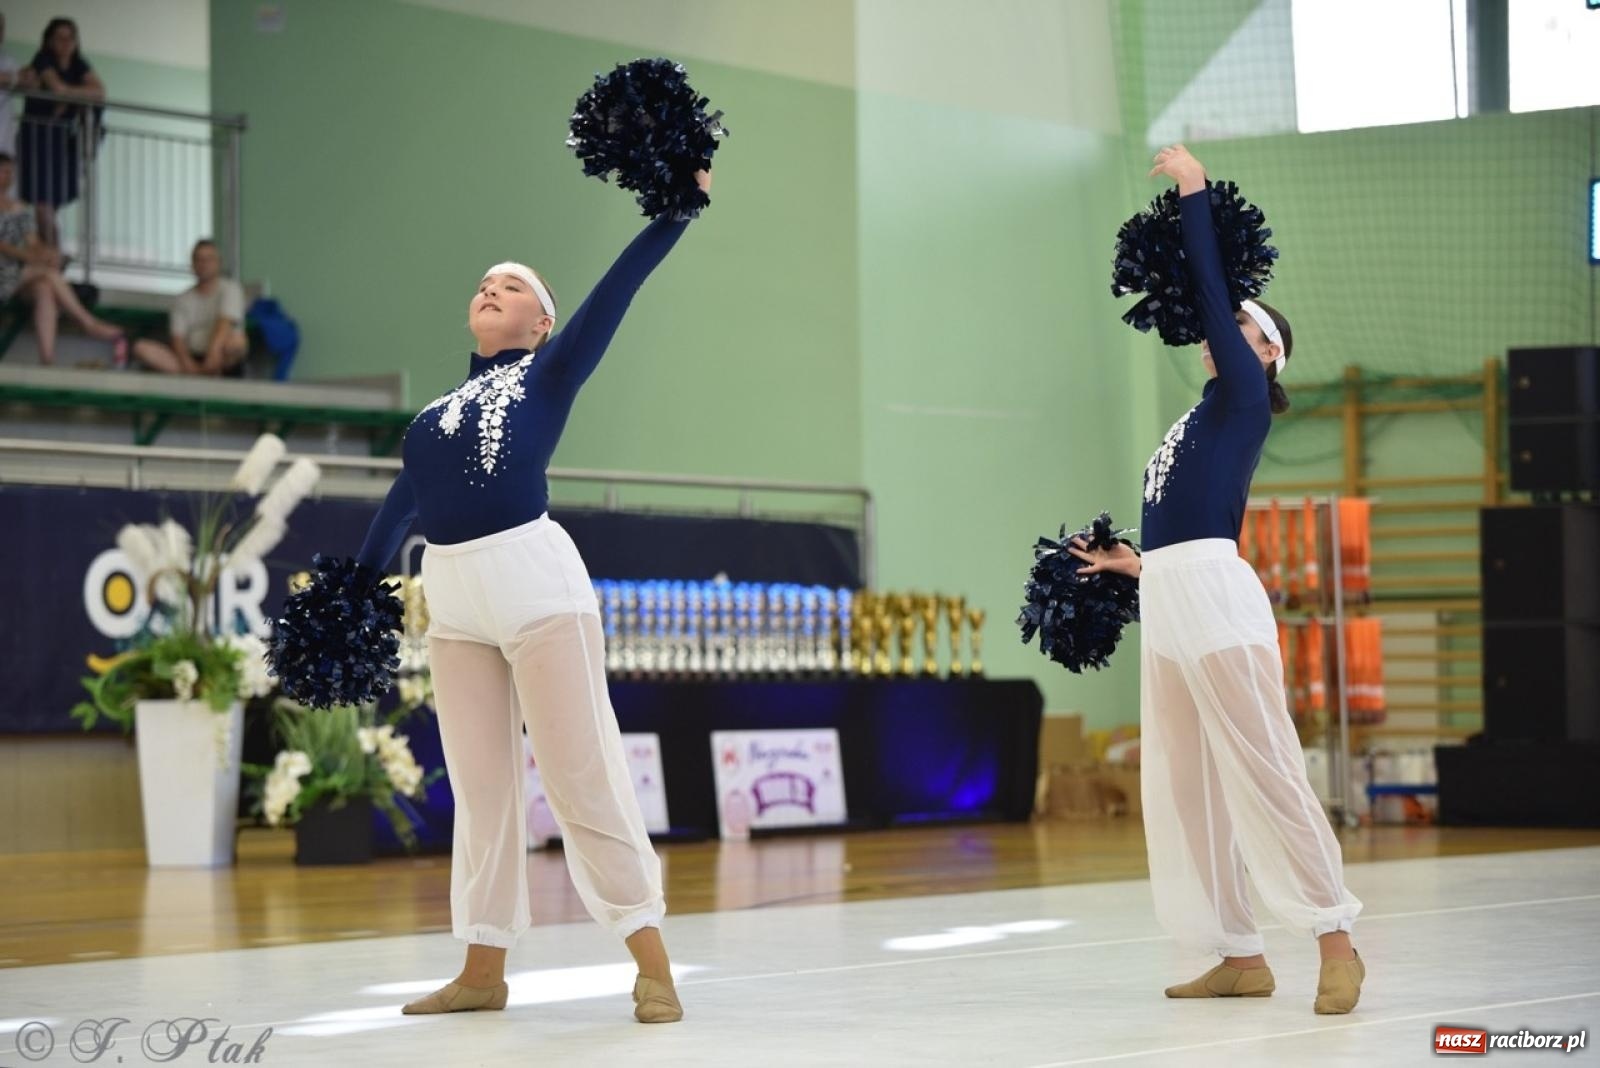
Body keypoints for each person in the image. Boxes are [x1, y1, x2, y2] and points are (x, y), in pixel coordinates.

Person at [344, 169, 711, 1024]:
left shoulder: (550, 373)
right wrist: (353, 594)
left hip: (536, 583)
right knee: (480, 792)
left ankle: (654, 963)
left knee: (581, 776)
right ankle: (482, 970)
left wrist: (676, 213)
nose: (491, 289)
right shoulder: (430, 418)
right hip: (453, 597)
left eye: (512, 287)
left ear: (542, 324)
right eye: (484, 283)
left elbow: (618, 289)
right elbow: (401, 508)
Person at [1071, 144, 1365, 1015]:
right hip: (1169, 593)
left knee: (1264, 768)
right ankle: (1238, 953)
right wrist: (1131, 564)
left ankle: (1336, 940)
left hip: (1216, 599)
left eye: (1239, 324)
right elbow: (1186, 518)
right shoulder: (1201, 412)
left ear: (1266, 353)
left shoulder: (1243, 395)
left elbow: (1205, 286)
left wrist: (1193, 192)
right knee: (1185, 779)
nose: (1219, 327)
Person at [0, 150, 124, 365]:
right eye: (4, 171)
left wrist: (49, 254)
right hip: (5, 272)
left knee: (44, 289)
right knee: (48, 274)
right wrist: (30, 256)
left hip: (19, 274)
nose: (9, 176)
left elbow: (33, 242)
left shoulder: (19, 208)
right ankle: (87, 323)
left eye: (11, 171)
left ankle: (47, 358)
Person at [17, 17, 106, 250]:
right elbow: (57, 88)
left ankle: (49, 256)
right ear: (49, 40)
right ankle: (52, 256)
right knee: (42, 203)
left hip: (61, 143)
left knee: (50, 205)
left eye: (70, 38)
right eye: (59, 37)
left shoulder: (79, 64)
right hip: (37, 140)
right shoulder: (43, 59)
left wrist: (67, 95)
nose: (65, 43)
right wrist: (73, 95)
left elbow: (99, 91)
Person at [132, 239, 249, 375]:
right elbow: (178, 338)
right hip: (191, 358)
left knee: (237, 342)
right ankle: (197, 376)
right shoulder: (182, 299)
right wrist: (188, 364)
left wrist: (213, 355)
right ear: (192, 264)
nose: (204, 264)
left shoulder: (231, 289)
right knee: (141, 348)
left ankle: (211, 374)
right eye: (199, 259)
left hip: (222, 358)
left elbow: (224, 324)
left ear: (218, 263)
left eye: (209, 259)